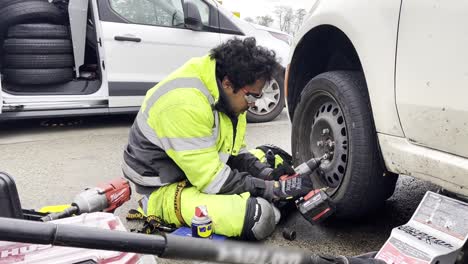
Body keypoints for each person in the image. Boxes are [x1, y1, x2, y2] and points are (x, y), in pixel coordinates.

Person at [122, 37, 314, 240]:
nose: (255, 105)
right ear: (228, 84)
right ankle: (153, 204)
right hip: (162, 183)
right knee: (259, 216)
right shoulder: (185, 103)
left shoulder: (228, 99)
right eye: (253, 97)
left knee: (273, 157)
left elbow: (234, 153)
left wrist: (268, 175)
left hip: (196, 167)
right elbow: (213, 180)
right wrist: (273, 189)